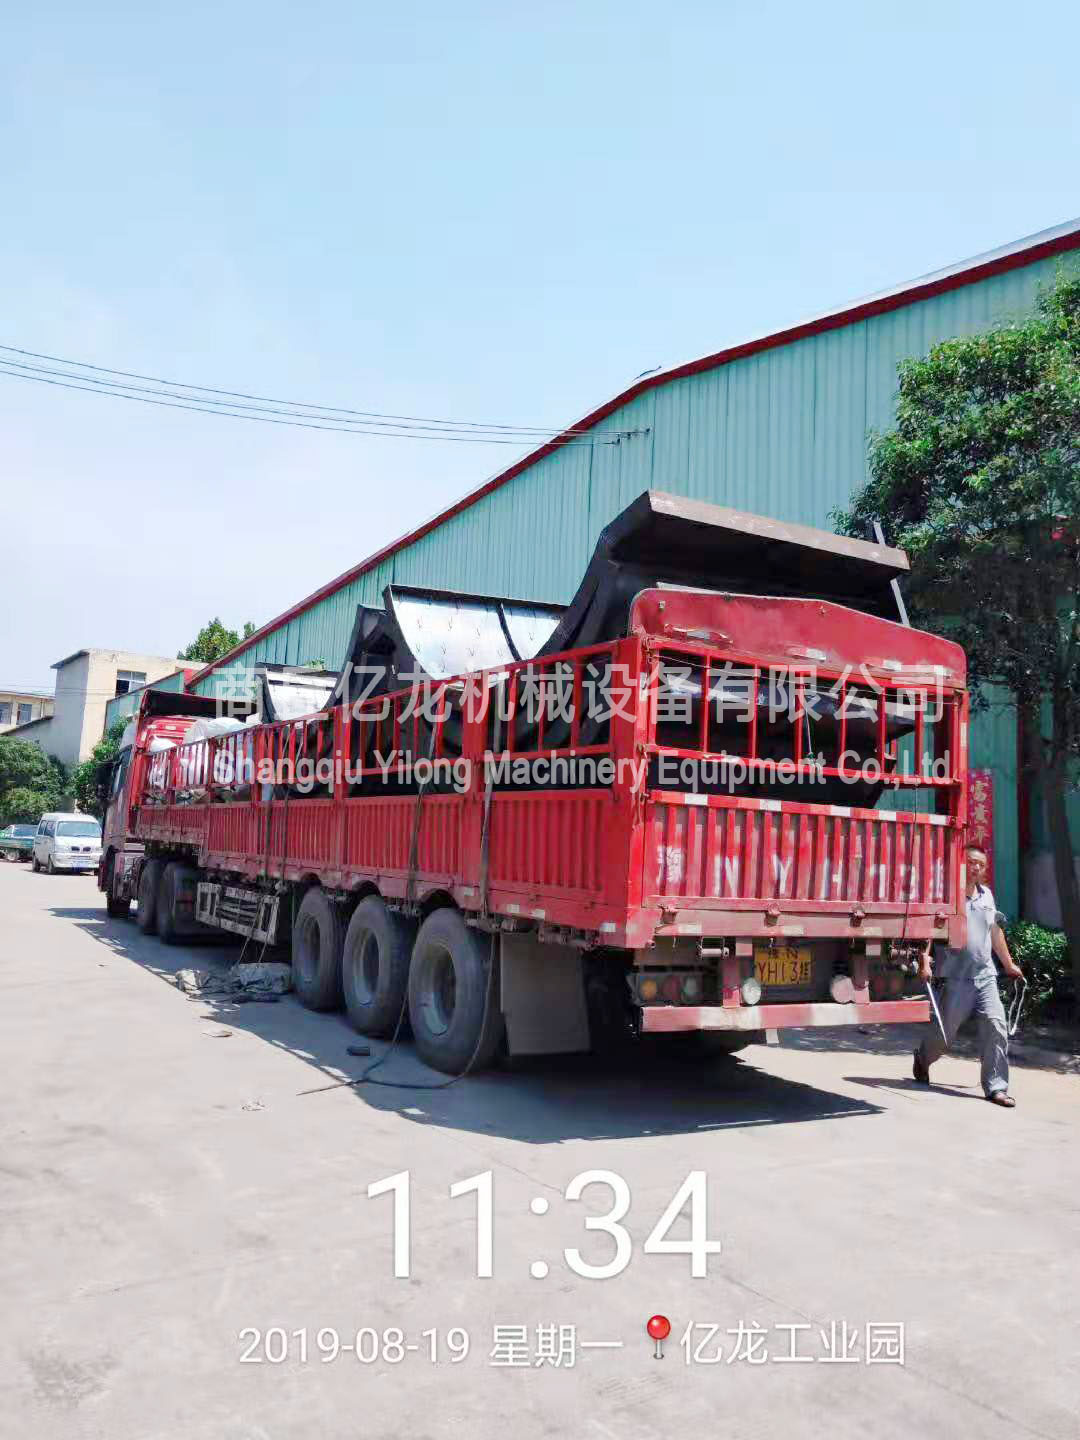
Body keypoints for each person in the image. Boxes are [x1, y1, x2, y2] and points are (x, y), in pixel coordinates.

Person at [912, 845, 1023, 1107]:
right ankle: (923, 1059)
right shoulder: (947, 894)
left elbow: (994, 932)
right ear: (961, 863)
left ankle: (996, 1087)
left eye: (980, 864)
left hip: (985, 976)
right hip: (955, 977)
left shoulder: (987, 896)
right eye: (971, 862)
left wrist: (1009, 964)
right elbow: (930, 928)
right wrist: (924, 960)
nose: (976, 867)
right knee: (944, 1035)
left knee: (996, 1027)